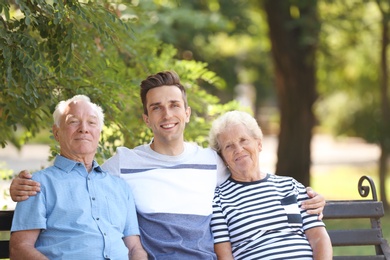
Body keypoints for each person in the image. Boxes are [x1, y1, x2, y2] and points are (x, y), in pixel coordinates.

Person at [10, 71, 326, 259]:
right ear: (146, 118)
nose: (167, 114)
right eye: (156, 108)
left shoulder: (211, 162)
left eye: (174, 105)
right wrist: (19, 186)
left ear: (187, 113)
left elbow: (253, 178)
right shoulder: (123, 164)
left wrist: (309, 199)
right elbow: (80, 172)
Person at [9, 95, 147, 260]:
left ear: (99, 133)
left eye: (92, 122)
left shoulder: (120, 186)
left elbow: (134, 248)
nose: (84, 128)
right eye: (73, 121)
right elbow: (20, 248)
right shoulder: (37, 185)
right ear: (57, 132)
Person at [208, 110, 333, 259]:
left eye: (244, 140)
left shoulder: (291, 186)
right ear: (222, 157)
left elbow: (319, 239)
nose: (238, 149)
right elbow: (225, 256)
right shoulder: (219, 201)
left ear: (259, 144)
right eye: (229, 146)